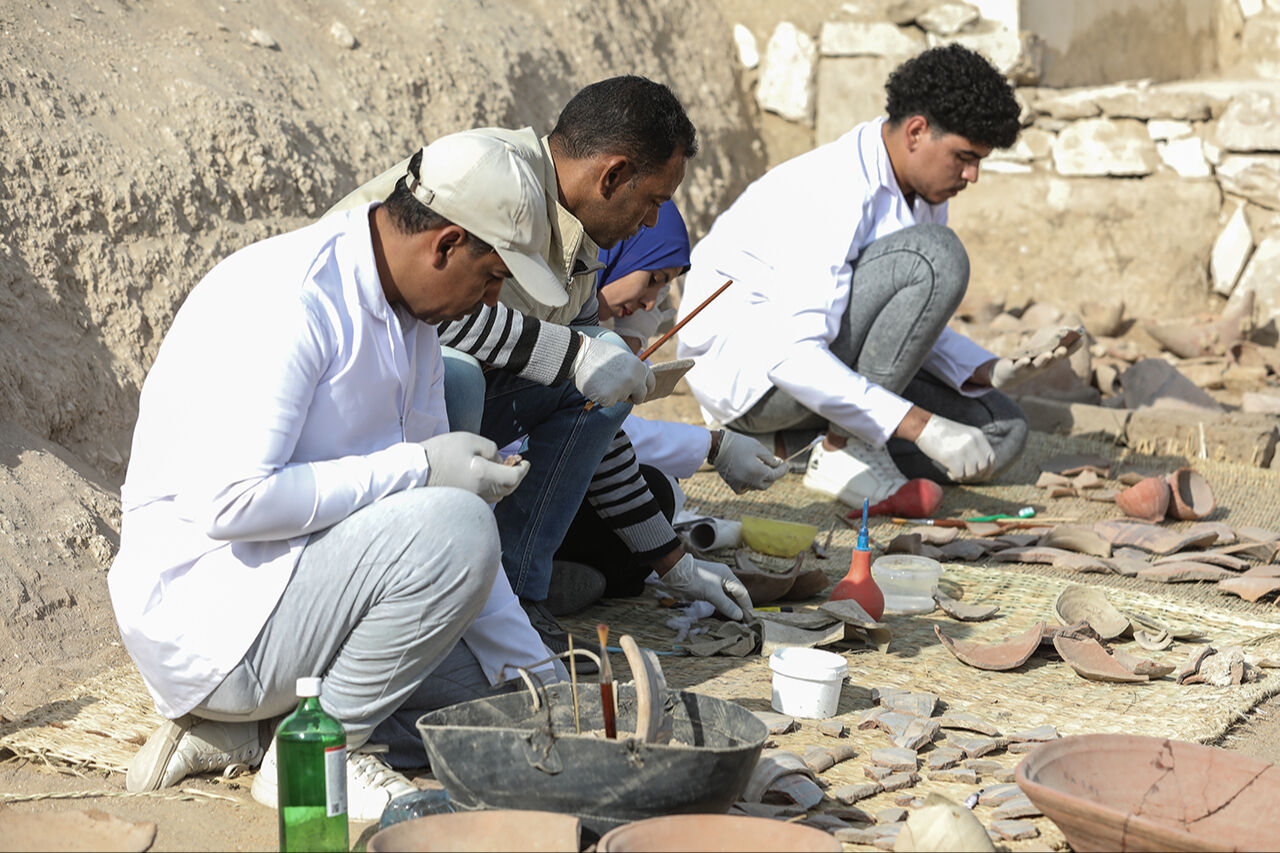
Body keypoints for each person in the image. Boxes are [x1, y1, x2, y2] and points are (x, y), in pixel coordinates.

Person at [113, 133, 571, 820]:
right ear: (445, 245)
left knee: (506, 711)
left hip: (306, 596)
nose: (488, 299)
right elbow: (232, 504)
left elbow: (433, 512)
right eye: (492, 277)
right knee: (459, 524)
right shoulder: (294, 300)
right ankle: (313, 756)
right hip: (216, 617)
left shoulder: (409, 316)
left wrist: (538, 677)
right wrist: (417, 468)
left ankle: (262, 730)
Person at [329, 78, 760, 662]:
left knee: (607, 406)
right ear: (611, 175)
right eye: (653, 200)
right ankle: (440, 598)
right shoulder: (493, 183)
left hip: (428, 439)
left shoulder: (578, 241)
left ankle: (514, 594)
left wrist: (674, 563)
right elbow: (436, 319)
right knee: (461, 375)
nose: (652, 221)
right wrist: (576, 355)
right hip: (354, 435)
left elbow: (588, 407)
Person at [677, 44, 1081, 517]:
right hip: (755, 382)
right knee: (937, 257)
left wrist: (988, 370)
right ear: (916, 132)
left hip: (821, 366)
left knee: (1001, 430)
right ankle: (842, 447)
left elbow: (899, 318)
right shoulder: (832, 188)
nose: (972, 175)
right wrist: (921, 426)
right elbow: (793, 357)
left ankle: (795, 445)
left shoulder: (923, 189)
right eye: (964, 157)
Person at [547, 200, 787, 613]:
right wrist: (714, 444)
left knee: (659, 495)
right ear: (615, 254)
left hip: (567, 479)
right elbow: (590, 431)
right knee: (653, 493)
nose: (650, 304)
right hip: (517, 490)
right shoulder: (552, 317)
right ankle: (528, 578)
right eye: (653, 280)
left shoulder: (592, 319)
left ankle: (561, 574)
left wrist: (631, 338)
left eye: (663, 291)